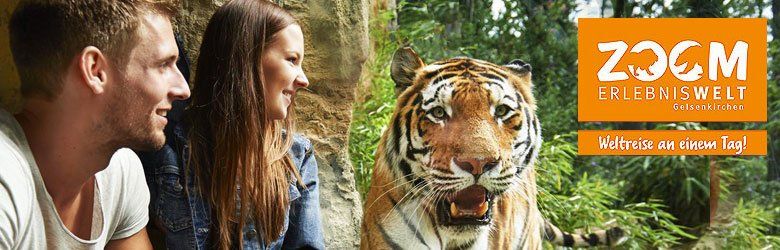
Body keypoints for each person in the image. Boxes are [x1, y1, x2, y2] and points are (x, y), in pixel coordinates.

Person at [0, 0, 190, 248]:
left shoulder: (120, 171)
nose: (183, 89)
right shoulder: (6, 180)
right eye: (163, 64)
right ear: (95, 70)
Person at [136, 0, 325, 249]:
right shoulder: (168, 151)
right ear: (245, 60)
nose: (304, 80)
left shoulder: (297, 156)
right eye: (291, 60)